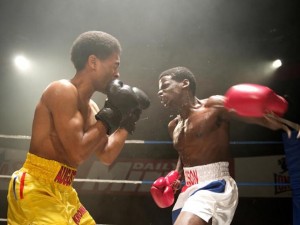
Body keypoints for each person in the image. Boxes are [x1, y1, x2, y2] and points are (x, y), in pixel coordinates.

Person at [7, 31, 150, 224]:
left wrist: (126, 123)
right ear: (93, 62)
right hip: (36, 187)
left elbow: (106, 155)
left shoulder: (92, 108)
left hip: (65, 191)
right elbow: (77, 153)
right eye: (114, 65)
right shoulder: (61, 90)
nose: (117, 74)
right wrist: (112, 113)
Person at [150, 66, 300, 225]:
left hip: (215, 184)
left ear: (184, 83)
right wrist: (176, 174)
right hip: (189, 187)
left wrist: (276, 118)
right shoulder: (173, 125)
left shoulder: (213, 106)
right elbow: (183, 152)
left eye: (165, 86)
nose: (160, 92)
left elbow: (250, 115)